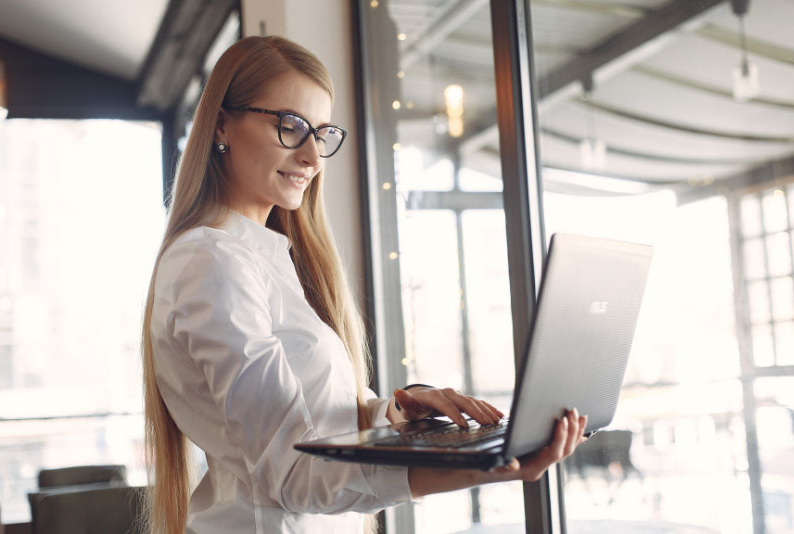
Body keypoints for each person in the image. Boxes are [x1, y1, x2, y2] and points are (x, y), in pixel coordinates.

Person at [141, 35, 587, 534]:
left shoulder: (260, 258)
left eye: (322, 132)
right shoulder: (212, 262)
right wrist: (482, 466)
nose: (312, 156)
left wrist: (394, 412)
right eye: (290, 126)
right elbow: (296, 473)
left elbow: (315, 434)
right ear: (222, 122)